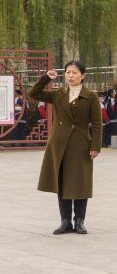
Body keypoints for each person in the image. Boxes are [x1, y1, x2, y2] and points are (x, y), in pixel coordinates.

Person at [29, 62, 102, 235]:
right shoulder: (59, 94)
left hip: (80, 143)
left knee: (80, 181)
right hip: (59, 144)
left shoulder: (90, 96)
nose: (70, 75)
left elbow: (97, 124)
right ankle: (65, 221)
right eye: (68, 72)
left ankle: (79, 221)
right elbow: (34, 93)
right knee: (61, 182)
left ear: (83, 76)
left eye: (74, 72)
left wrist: (96, 145)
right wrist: (46, 78)